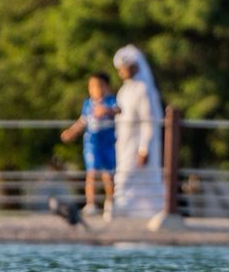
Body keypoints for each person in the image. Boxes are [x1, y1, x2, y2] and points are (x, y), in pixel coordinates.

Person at [110, 45, 165, 221]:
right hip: (124, 144)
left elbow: (149, 121)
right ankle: (124, 214)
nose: (121, 72)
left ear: (134, 67)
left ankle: (155, 212)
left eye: (123, 68)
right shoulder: (124, 91)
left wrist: (144, 148)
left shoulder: (143, 89)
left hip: (137, 145)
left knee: (137, 180)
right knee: (123, 178)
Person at [59, 72, 117, 217]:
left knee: (108, 174)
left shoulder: (111, 101)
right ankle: (91, 203)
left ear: (107, 87)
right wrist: (71, 132)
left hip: (107, 143)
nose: (94, 89)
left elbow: (119, 110)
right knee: (91, 173)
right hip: (92, 143)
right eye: (91, 86)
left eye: (98, 86)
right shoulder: (88, 104)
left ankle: (110, 203)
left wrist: (107, 110)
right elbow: (82, 121)